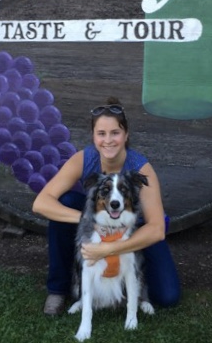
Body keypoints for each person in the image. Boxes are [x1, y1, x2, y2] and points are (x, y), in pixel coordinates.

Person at [32, 97, 181, 316]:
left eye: (115, 133)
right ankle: (58, 288)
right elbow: (41, 203)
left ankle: (135, 283)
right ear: (94, 137)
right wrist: (87, 220)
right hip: (98, 224)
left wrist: (110, 249)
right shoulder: (83, 159)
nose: (108, 140)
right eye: (101, 133)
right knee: (64, 205)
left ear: (126, 135)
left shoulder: (141, 168)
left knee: (168, 296)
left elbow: (157, 229)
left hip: (133, 231)